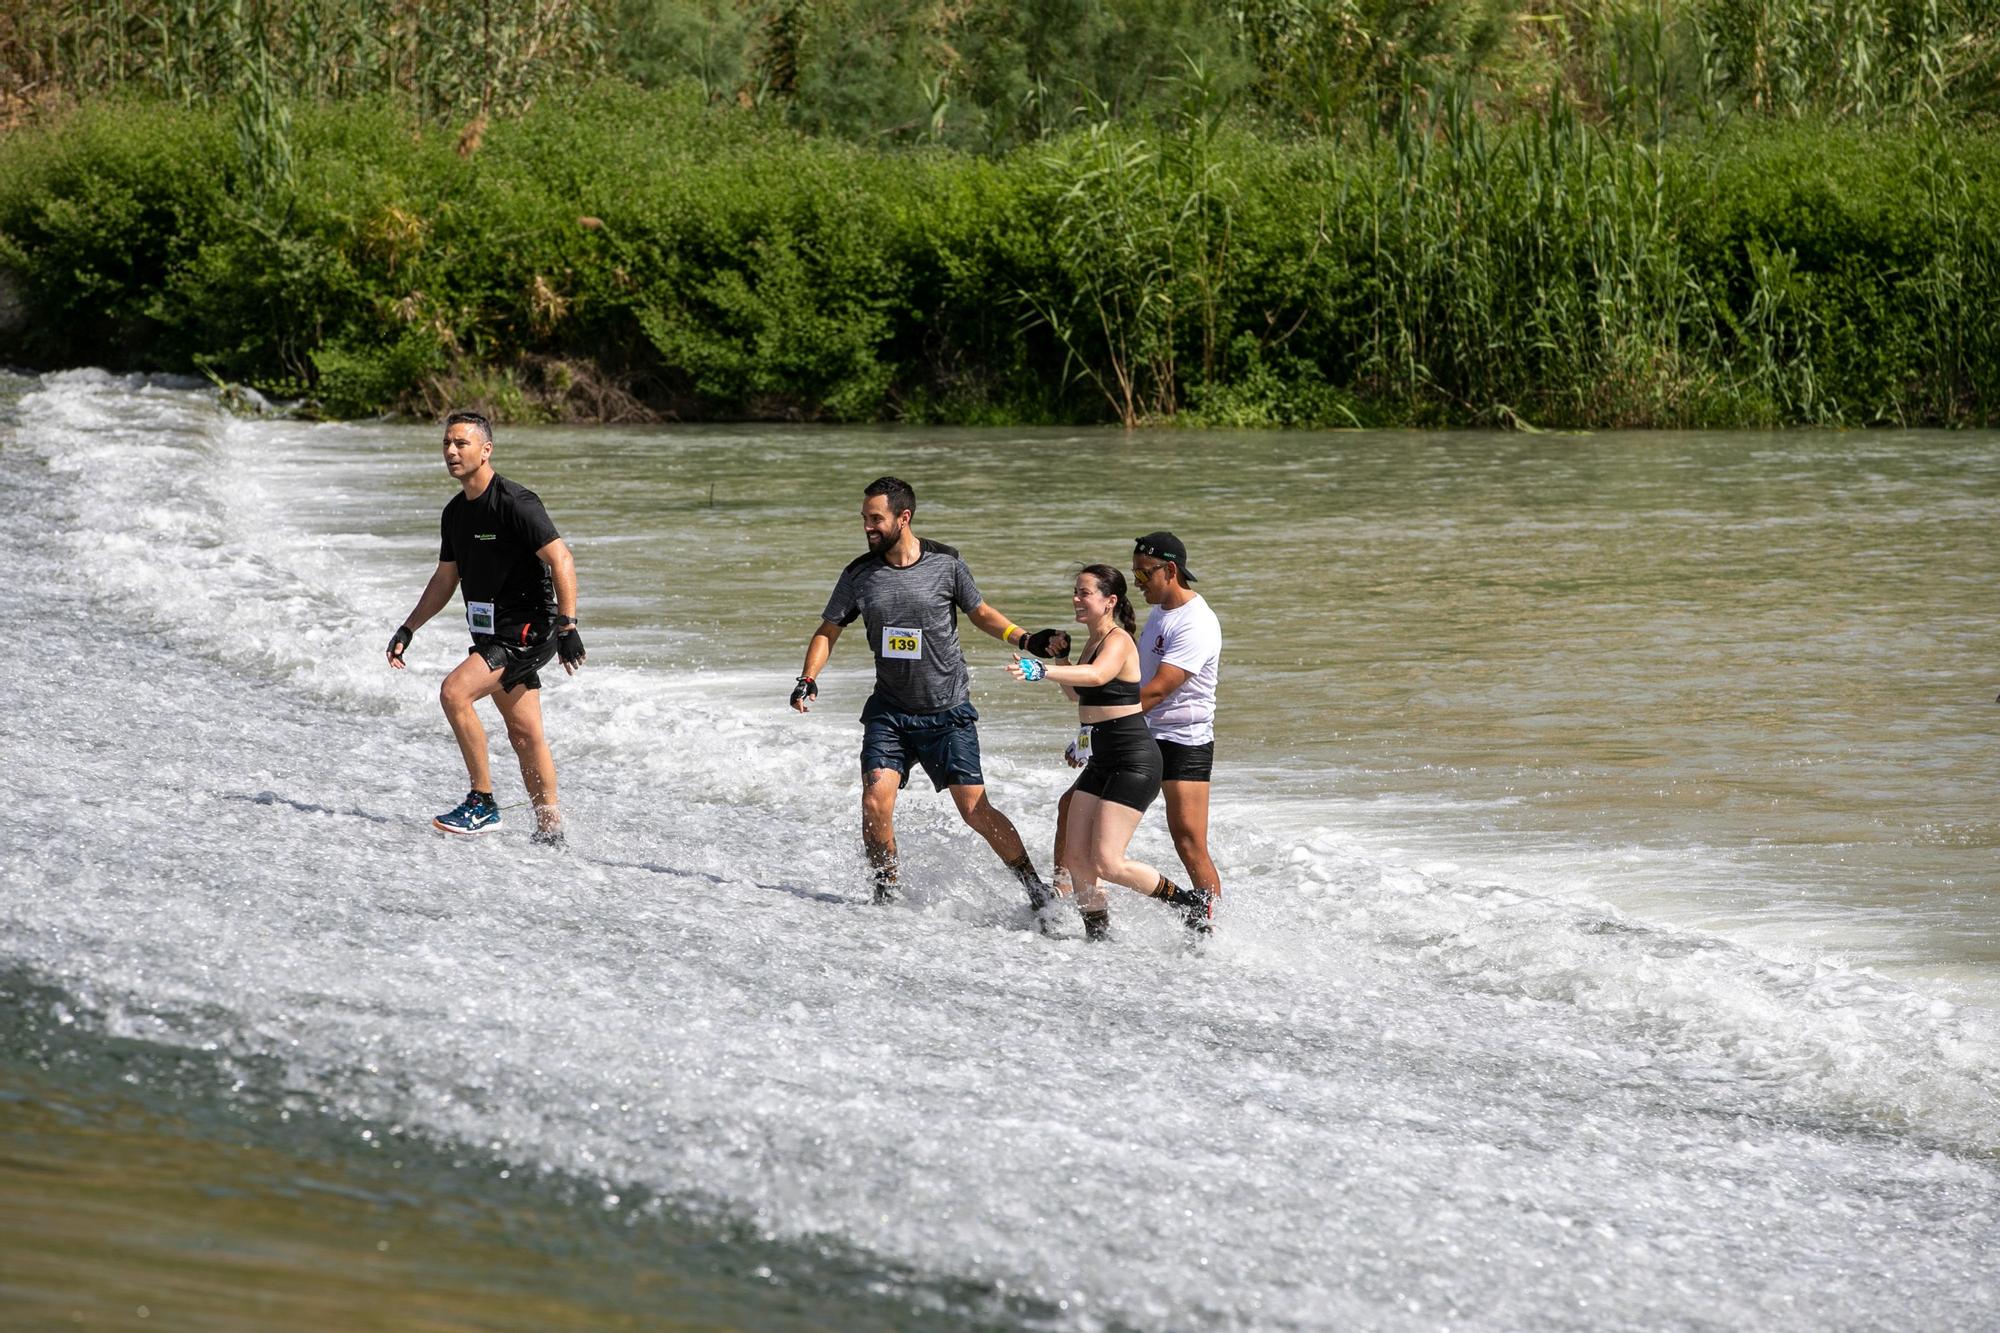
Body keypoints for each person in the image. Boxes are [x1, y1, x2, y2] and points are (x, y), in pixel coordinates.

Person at [791, 476, 1070, 912]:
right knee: (874, 800)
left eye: (875, 519)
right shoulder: (859, 575)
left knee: (975, 810)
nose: (867, 527)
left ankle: (1036, 891)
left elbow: (980, 613)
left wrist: (1027, 639)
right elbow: (828, 629)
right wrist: (807, 677)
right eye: (864, 518)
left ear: (904, 518)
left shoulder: (947, 564)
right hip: (890, 711)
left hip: (947, 711)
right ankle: (886, 894)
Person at [386, 411, 585, 845]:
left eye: (462, 443)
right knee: (525, 734)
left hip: (528, 629)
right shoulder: (455, 513)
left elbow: (561, 559)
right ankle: (551, 833)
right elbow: (444, 579)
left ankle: (482, 801)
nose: (452, 451)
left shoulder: (515, 502)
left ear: (486, 449)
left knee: (454, 691)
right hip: (491, 633)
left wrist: (568, 625)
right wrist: (409, 628)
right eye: (446, 444)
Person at [1008, 565, 1202, 941]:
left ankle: (1188, 904)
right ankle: (1098, 939)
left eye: (1085, 593)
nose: (1076, 599)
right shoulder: (1092, 642)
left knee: (1108, 862)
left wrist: (1043, 671)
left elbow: (1097, 677)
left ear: (1109, 601)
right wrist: (1062, 660)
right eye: (1076, 592)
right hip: (1101, 759)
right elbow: (1079, 694)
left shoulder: (1118, 641)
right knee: (1078, 860)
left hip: (1134, 760)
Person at [1051, 531, 1221, 935]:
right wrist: (1092, 733)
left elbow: (1159, 689)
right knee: (1069, 806)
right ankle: (1063, 900)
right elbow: (1117, 685)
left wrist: (1095, 728)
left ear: (1171, 570)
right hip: (1134, 731)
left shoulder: (1197, 622)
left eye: (1145, 575)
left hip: (1183, 738)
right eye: (1135, 574)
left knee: (1188, 840)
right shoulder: (1160, 613)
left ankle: (1212, 924)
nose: (1138, 583)